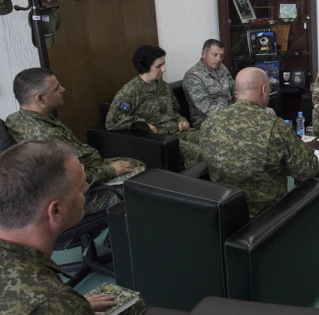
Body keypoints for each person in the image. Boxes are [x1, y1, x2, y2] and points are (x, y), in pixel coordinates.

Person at [0, 140, 146, 314]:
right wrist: (70, 307)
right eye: (79, 188)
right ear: (56, 210)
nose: (86, 188)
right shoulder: (54, 301)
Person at [6, 68, 144, 214]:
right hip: (79, 195)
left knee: (137, 165)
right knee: (141, 183)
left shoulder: (18, 118)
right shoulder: (45, 136)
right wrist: (110, 170)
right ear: (40, 98)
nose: (62, 89)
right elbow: (71, 180)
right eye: (56, 88)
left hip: (86, 169)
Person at [200, 67, 319, 218]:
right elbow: (309, 169)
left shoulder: (209, 123)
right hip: (267, 217)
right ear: (264, 90)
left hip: (223, 213)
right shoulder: (275, 126)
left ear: (237, 92)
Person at [106, 45, 203, 168]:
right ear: (145, 66)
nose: (164, 69)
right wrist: (143, 124)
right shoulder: (130, 92)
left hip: (177, 130)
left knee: (213, 139)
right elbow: (112, 122)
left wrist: (182, 120)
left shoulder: (163, 86)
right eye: (158, 66)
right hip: (161, 137)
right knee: (199, 153)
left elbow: (175, 111)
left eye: (163, 64)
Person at [182, 39, 236, 127]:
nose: (218, 59)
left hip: (231, 114)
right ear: (204, 54)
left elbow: (234, 90)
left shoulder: (222, 68)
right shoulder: (193, 76)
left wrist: (242, 107)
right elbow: (207, 107)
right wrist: (234, 114)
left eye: (221, 56)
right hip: (208, 121)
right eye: (215, 55)